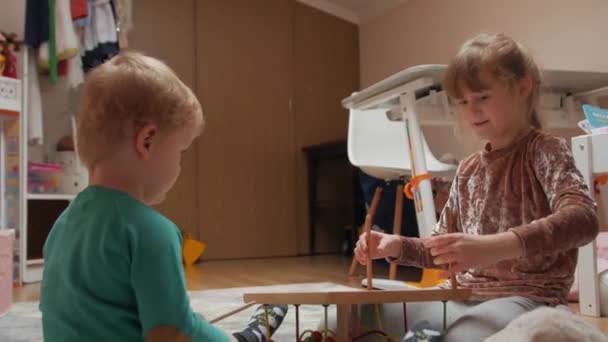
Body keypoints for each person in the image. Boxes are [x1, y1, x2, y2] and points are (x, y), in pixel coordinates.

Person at [354, 33, 599, 341]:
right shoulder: (469, 169)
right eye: (463, 101)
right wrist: (395, 246)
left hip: (527, 300)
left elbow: (583, 219)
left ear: (523, 88)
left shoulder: (546, 151)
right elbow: (442, 251)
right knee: (359, 314)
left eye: (482, 97)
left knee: (462, 334)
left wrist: (495, 247)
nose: (471, 110)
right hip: (461, 296)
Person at [39, 52, 286, 342]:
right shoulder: (150, 231)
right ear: (147, 141)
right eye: (181, 151)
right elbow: (171, 334)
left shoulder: (63, 224)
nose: (180, 164)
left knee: (191, 321)